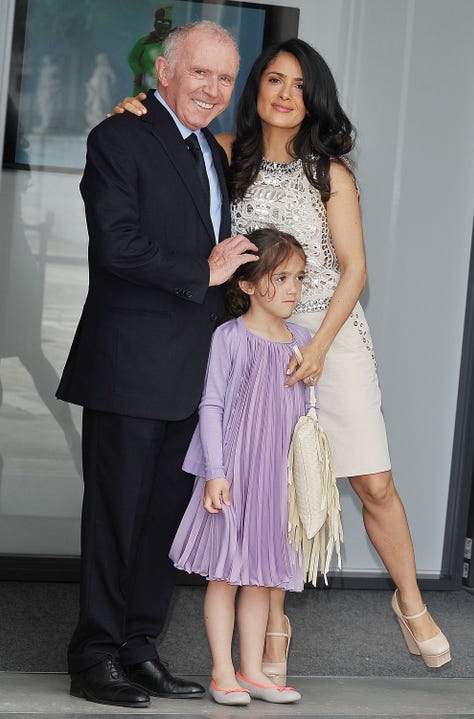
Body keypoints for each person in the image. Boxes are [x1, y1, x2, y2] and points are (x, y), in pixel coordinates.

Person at [112, 36, 451, 679]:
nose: (285, 94)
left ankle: (410, 601)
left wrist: (318, 348)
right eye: (273, 80)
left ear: (312, 97)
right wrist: (135, 106)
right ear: (257, 90)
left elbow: (355, 270)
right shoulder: (224, 157)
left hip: (329, 337)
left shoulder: (331, 172)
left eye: (298, 85)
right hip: (254, 343)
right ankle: (273, 620)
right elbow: (166, 142)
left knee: (371, 480)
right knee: (271, 487)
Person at [56, 20, 258, 709]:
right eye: (200, 72)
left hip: (192, 374)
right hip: (130, 365)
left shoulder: (212, 149)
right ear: (164, 73)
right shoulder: (119, 137)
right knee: (116, 519)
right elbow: (116, 243)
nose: (213, 89)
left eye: (225, 78)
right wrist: (202, 271)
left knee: (164, 525)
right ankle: (95, 657)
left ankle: (139, 647)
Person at [170, 227, 307, 706]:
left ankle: (252, 671)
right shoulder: (229, 337)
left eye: (298, 278)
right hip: (232, 473)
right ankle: (222, 671)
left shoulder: (304, 342)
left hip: (275, 478)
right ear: (246, 285)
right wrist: (215, 471)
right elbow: (211, 406)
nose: (293, 288)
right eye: (281, 277)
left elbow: (309, 417)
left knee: (261, 576)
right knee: (225, 574)